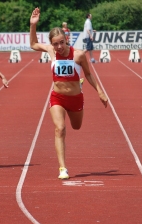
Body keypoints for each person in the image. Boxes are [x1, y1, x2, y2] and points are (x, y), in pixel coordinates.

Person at [30, 7, 108, 179]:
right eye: (55, 43)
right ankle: (62, 168)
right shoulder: (51, 51)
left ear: (66, 40)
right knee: (60, 128)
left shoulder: (78, 55)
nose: (58, 46)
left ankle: (77, 89)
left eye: (61, 42)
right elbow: (34, 44)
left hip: (75, 98)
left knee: (76, 126)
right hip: (57, 97)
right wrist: (33, 25)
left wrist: (100, 92)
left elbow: (88, 74)